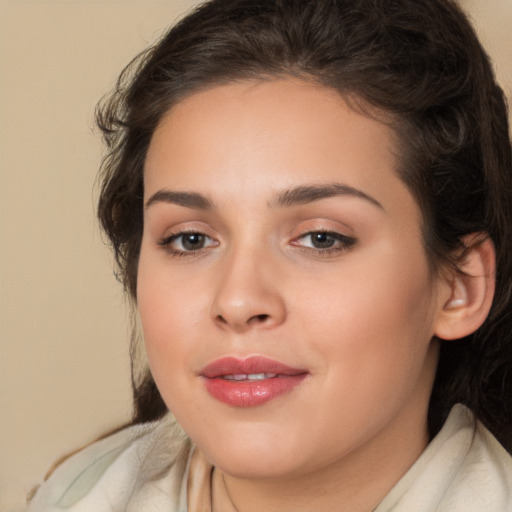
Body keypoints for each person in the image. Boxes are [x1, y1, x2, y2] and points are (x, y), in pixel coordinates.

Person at [27, 0, 512, 510]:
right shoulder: (74, 496)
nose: (238, 301)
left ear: (460, 286)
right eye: (191, 239)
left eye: (321, 238)